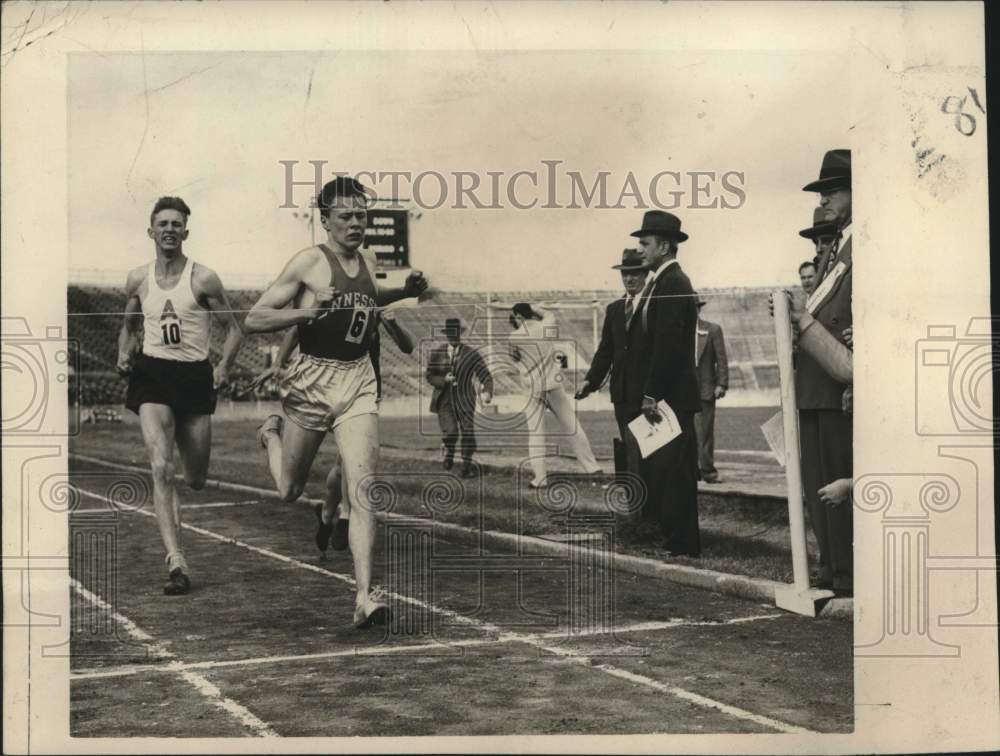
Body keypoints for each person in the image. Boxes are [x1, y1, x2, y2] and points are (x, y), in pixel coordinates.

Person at [243, 176, 428, 628]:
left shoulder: (368, 258)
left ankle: (365, 596)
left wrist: (404, 290)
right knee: (288, 490)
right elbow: (253, 318)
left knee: (363, 489)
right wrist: (307, 311)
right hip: (312, 381)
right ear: (324, 220)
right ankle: (270, 433)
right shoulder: (307, 262)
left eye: (361, 215)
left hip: (358, 380)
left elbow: (369, 297)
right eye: (345, 216)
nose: (355, 223)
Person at [117, 196, 244, 595]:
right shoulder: (138, 278)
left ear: (186, 232)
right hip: (153, 373)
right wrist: (124, 350)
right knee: (160, 466)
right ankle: (176, 560)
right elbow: (129, 326)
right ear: (151, 231)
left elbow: (235, 329)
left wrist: (222, 367)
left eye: (177, 224)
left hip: (193, 375)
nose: (170, 229)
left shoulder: (204, 278)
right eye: (163, 223)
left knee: (195, 479)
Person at [249, 308, 415, 555]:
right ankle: (271, 435)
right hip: (320, 390)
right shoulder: (330, 297)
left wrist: (392, 321)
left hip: (361, 391)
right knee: (291, 488)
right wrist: (277, 364)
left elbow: (407, 346)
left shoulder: (372, 298)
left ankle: (336, 515)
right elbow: (296, 330)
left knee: (348, 462)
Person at [797, 148, 854, 597]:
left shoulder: (862, 243)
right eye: (822, 193)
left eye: (832, 190)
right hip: (816, 382)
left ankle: (847, 571)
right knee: (818, 482)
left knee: (837, 479)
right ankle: (832, 567)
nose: (824, 200)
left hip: (837, 382)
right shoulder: (836, 246)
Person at [630, 210, 702, 556]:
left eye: (645, 244)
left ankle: (683, 541)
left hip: (672, 394)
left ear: (664, 245)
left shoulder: (674, 282)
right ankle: (676, 537)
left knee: (676, 470)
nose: (640, 250)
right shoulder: (661, 281)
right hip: (669, 393)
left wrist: (651, 393)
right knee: (669, 469)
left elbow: (668, 344)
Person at [508, 302, 603, 488]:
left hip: (532, 389)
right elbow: (547, 313)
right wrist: (534, 308)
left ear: (518, 315)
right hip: (553, 385)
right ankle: (592, 468)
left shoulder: (514, 336)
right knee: (572, 426)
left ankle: (540, 479)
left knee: (536, 434)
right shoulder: (547, 324)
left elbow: (514, 358)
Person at [576, 248, 648, 480]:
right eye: (625, 273)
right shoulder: (614, 309)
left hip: (649, 394)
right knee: (630, 448)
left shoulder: (653, 304)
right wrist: (590, 381)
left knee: (651, 451)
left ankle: (653, 506)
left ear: (645, 274)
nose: (629, 278)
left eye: (635, 273)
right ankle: (637, 504)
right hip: (622, 394)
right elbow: (605, 350)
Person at [426, 317, 494, 478]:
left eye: (455, 333)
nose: (453, 336)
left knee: (468, 432)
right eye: (450, 333)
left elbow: (485, 375)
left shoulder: (471, 353)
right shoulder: (437, 353)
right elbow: (429, 376)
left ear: (460, 334)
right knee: (450, 432)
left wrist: (488, 391)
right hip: (445, 399)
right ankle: (449, 452)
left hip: (465, 398)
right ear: (446, 335)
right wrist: (443, 380)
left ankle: (466, 465)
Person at [694, 294, 729, 484]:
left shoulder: (713, 330)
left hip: (705, 390)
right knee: (685, 434)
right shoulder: (677, 331)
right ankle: (691, 471)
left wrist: (721, 384)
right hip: (682, 392)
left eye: (693, 308)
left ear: (699, 309)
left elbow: (721, 359)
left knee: (705, 432)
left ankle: (708, 471)